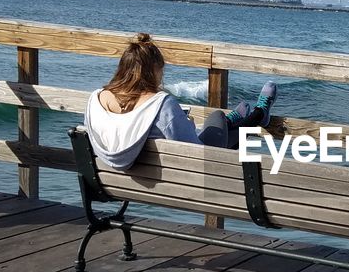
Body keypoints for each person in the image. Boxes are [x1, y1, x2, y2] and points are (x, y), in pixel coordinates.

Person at [84, 32, 277, 170]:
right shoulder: (160, 105)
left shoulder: (96, 99)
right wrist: (187, 126)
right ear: (155, 70)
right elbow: (195, 154)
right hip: (194, 175)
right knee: (217, 118)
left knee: (216, 131)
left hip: (112, 183)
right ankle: (257, 117)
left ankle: (250, 119)